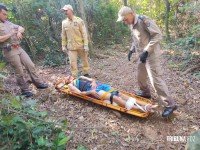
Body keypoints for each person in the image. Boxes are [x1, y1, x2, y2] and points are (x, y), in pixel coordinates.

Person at [116, 6, 177, 117]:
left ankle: (170, 104)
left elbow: (157, 35)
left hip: (151, 54)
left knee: (155, 80)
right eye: (123, 20)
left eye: (125, 19)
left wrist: (147, 51)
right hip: (141, 55)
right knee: (140, 77)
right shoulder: (131, 24)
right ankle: (145, 93)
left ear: (131, 13)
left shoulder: (144, 20)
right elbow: (136, 39)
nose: (124, 21)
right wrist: (131, 50)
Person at [0, 5, 48, 97]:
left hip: (18, 47)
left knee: (31, 65)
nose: (6, 16)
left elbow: (21, 27)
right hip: (9, 50)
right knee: (19, 70)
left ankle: (38, 83)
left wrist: (19, 31)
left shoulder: (8, 23)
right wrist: (11, 34)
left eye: (6, 14)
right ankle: (24, 90)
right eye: (4, 14)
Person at [62, 75, 158, 112]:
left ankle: (144, 104)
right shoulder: (71, 85)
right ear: (66, 81)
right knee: (115, 98)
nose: (68, 77)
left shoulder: (79, 77)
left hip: (99, 85)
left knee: (120, 94)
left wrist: (94, 82)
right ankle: (141, 109)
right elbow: (80, 93)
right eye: (65, 78)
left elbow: (92, 79)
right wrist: (90, 91)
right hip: (92, 90)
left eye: (67, 75)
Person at [61, 4, 90, 77]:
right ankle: (75, 76)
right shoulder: (64, 23)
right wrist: (63, 46)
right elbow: (63, 35)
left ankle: (86, 73)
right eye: (64, 11)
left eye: (66, 10)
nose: (65, 12)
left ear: (71, 10)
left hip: (81, 46)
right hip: (71, 47)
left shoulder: (79, 21)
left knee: (85, 60)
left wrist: (86, 45)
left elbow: (84, 33)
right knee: (72, 62)